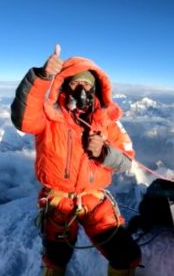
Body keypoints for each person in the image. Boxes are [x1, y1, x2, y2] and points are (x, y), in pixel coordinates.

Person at [10, 45, 141, 276]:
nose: (82, 89)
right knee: (56, 256)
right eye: (75, 83)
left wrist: (104, 152)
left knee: (125, 254)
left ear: (96, 89)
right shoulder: (49, 116)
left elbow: (128, 160)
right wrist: (42, 76)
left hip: (94, 200)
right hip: (58, 200)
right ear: (63, 85)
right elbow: (23, 119)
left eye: (88, 84)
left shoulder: (108, 123)